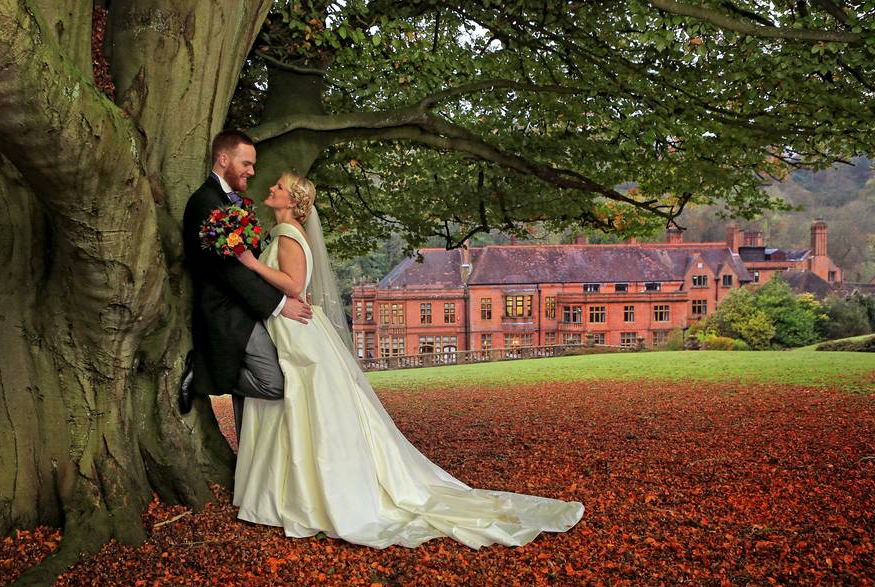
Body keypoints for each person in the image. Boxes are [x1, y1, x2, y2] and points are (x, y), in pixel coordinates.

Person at [231, 172, 584, 549]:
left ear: (294, 200)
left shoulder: (287, 235)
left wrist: (250, 263)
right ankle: (291, 490)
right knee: (300, 405)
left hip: (295, 328)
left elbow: (294, 285)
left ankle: (303, 494)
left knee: (305, 405)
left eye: (279, 187)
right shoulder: (284, 232)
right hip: (292, 326)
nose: (271, 188)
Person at [181, 130, 312, 433]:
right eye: (246, 164)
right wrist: (280, 305)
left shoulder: (235, 201)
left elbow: (251, 259)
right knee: (276, 383)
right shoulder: (205, 202)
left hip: (246, 308)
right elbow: (229, 270)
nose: (252, 171)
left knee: (255, 407)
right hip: (227, 311)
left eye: (253, 165)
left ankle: (251, 472)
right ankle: (201, 369)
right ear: (223, 159)